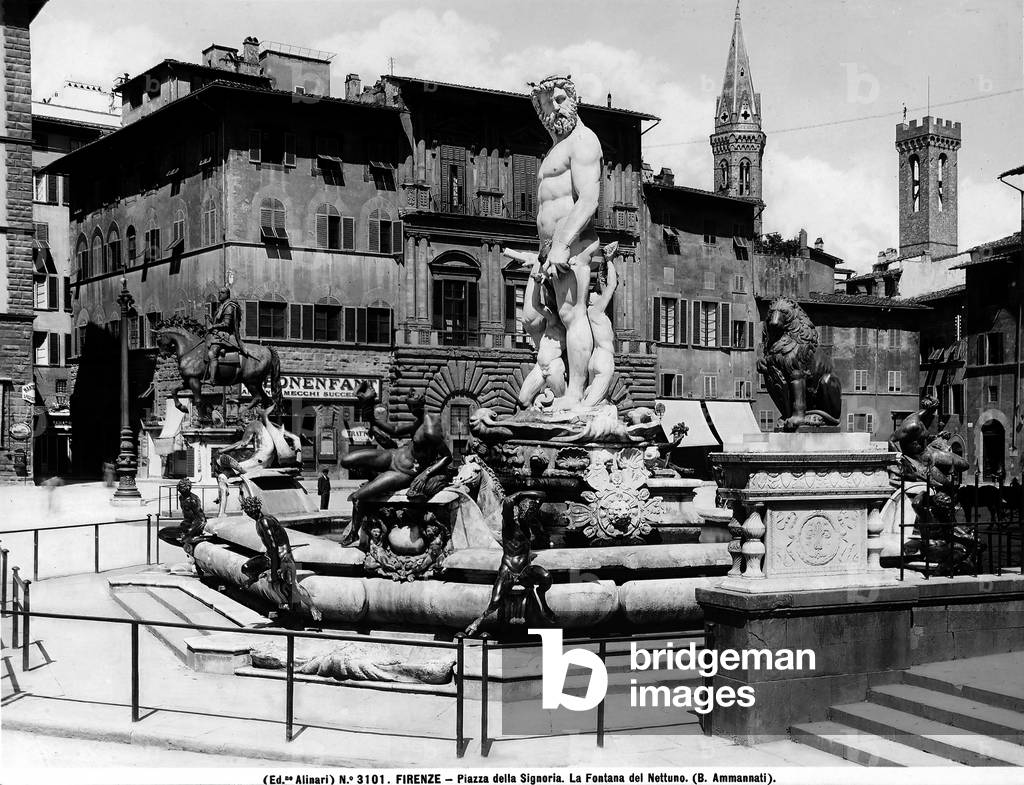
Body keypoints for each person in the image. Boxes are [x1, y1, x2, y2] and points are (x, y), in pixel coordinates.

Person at [529, 75, 604, 410]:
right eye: (547, 104)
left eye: (559, 100)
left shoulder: (584, 140)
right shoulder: (555, 148)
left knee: (572, 314)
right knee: (533, 318)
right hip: (548, 251)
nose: (554, 108)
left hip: (571, 243)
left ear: (573, 99)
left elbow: (588, 198)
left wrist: (562, 243)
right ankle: (553, 383)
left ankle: (574, 394)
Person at [502, 250, 567, 409]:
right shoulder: (552, 318)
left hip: (554, 367)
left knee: (562, 403)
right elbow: (537, 305)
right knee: (523, 400)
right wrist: (538, 285)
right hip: (540, 367)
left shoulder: (566, 324)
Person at [582, 248, 618, 407]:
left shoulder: (590, 313)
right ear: (592, 300)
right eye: (597, 292)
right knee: (588, 407)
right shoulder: (596, 311)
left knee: (595, 402)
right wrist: (609, 260)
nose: (601, 292)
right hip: (604, 359)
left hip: (594, 359)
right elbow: (612, 285)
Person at [204, 286, 243, 384]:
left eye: (222, 293)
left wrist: (213, 326)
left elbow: (226, 324)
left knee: (212, 354)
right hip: (218, 334)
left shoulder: (229, 307)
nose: (219, 294)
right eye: (219, 292)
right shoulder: (222, 306)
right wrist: (210, 319)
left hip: (225, 336)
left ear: (227, 294)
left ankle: (212, 379)